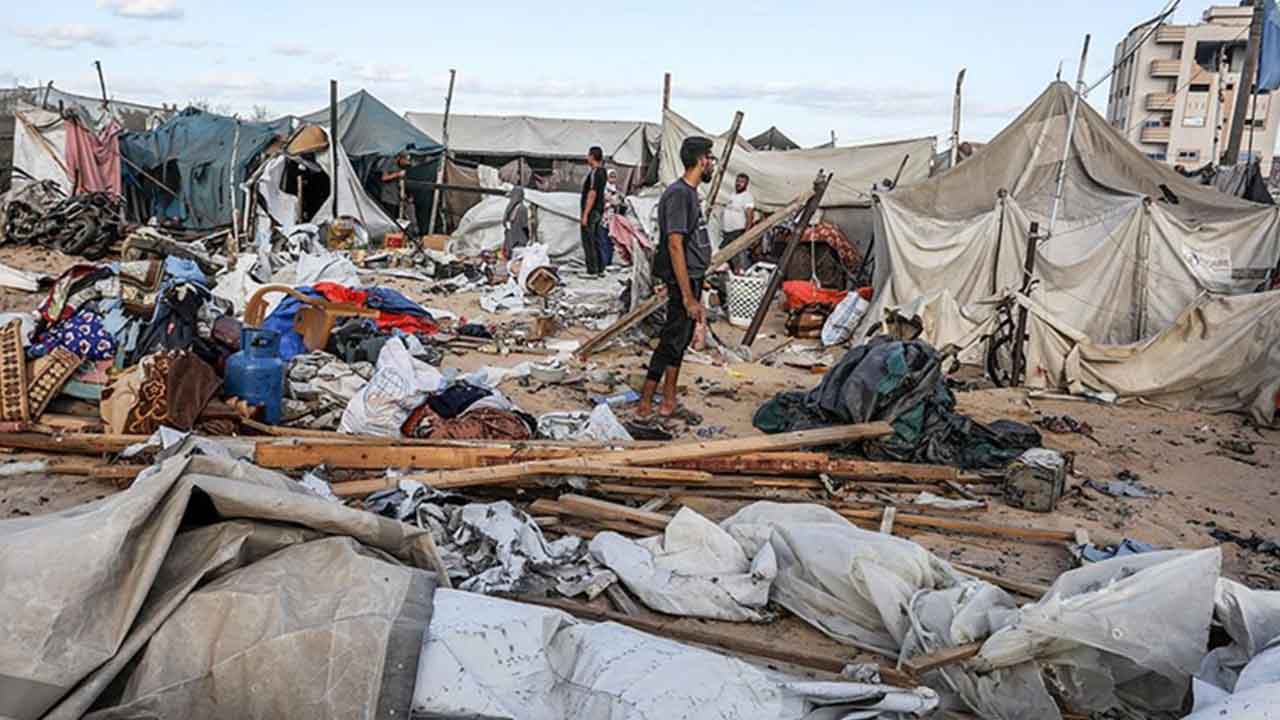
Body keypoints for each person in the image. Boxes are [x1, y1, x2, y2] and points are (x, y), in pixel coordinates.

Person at [637, 136, 715, 418]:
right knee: (671, 340)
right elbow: (674, 244)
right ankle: (646, 402)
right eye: (711, 158)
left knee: (679, 341)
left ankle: (668, 399)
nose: (712, 165)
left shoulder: (691, 193)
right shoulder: (680, 194)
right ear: (701, 160)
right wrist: (686, 296)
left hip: (692, 277)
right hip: (682, 282)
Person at [579, 146, 608, 275]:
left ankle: (592, 269)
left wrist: (585, 214)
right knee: (596, 239)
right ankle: (600, 267)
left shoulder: (595, 173)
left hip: (592, 211)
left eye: (588, 155)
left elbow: (592, 193)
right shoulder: (603, 171)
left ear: (592, 156)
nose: (586, 158)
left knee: (589, 239)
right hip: (598, 210)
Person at [377, 152, 417, 235]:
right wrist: (397, 174)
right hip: (388, 197)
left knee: (399, 219)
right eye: (405, 160)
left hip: (397, 197)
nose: (406, 162)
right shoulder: (389, 164)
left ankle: (396, 235)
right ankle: (388, 235)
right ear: (399, 158)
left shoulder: (401, 167)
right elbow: (384, 178)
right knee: (389, 218)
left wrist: (406, 195)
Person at [723, 172, 755, 272]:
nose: (738, 183)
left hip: (737, 232)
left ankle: (742, 274)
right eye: (737, 181)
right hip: (727, 232)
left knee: (738, 257)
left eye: (742, 182)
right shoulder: (732, 195)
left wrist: (747, 233)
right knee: (727, 257)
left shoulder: (747, 196)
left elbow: (749, 215)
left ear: (746, 184)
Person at [502, 186, 530, 259]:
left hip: (510, 240)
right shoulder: (522, 209)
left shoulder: (509, 209)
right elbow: (525, 226)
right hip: (520, 241)